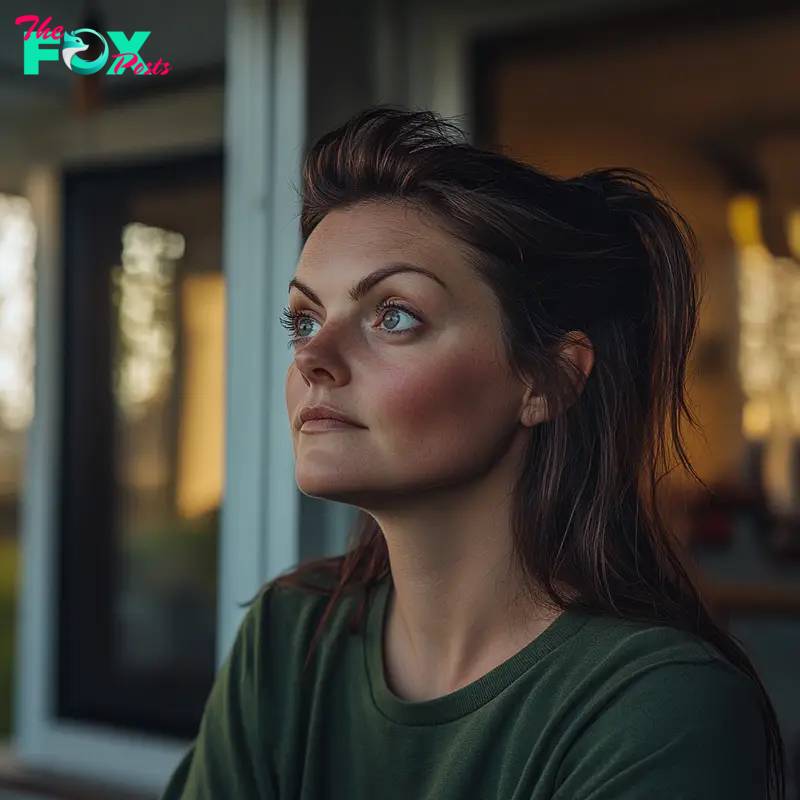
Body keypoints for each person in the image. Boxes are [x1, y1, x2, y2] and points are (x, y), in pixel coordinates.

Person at [160, 107, 786, 799]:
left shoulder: (658, 709)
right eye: (304, 319)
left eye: (394, 316)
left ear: (547, 379)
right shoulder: (288, 642)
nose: (313, 356)